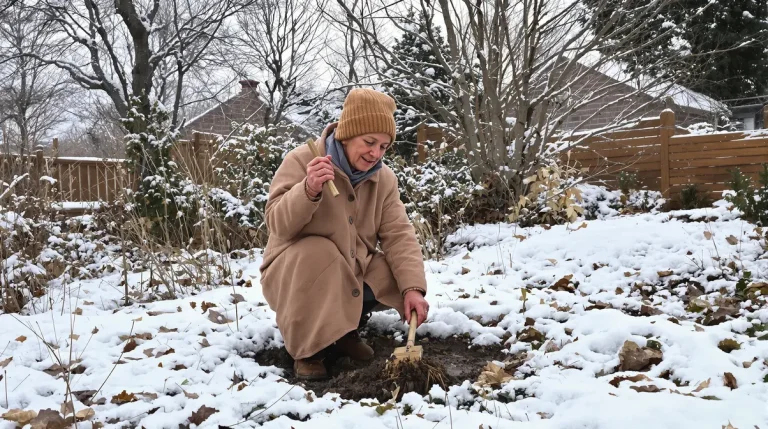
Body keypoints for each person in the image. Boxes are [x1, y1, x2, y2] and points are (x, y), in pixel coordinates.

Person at [259, 88, 430, 380]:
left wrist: (413, 288)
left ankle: (343, 333)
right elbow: (277, 223)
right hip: (295, 271)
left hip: (350, 267)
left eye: (384, 146)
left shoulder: (383, 178)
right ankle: (307, 351)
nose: (375, 153)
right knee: (318, 252)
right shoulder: (302, 160)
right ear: (347, 134)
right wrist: (308, 189)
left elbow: (399, 234)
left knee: (392, 272)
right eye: (369, 142)